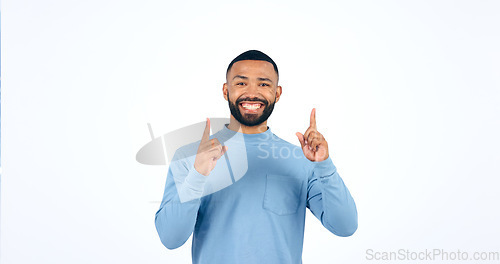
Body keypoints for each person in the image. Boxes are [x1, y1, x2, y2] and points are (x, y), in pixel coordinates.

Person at [155, 50, 358, 263]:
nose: (252, 93)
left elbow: (345, 226)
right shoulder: (190, 157)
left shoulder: (303, 160)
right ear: (226, 90)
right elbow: (171, 238)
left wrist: (324, 165)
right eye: (241, 83)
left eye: (263, 84)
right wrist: (197, 175)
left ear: (277, 93)